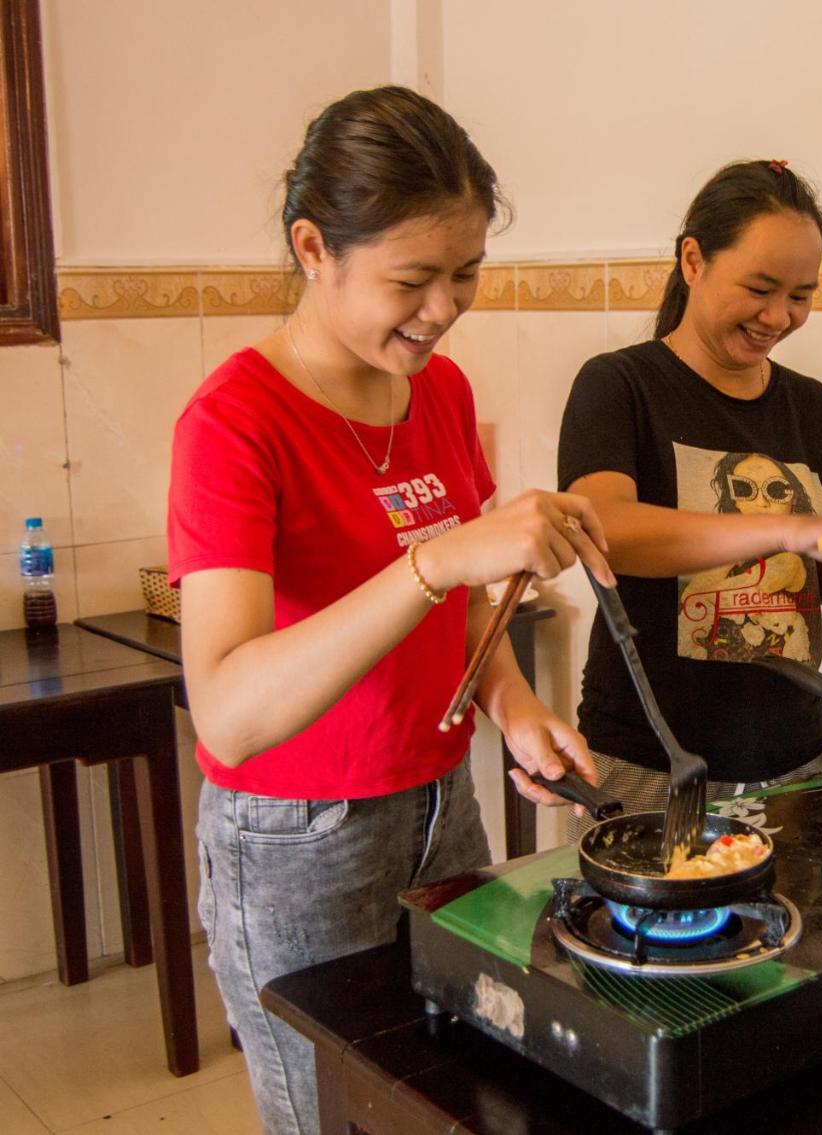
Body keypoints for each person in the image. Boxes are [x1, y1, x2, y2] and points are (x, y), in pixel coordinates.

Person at [167, 86, 611, 1135]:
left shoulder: (438, 393)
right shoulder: (234, 423)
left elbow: (454, 620)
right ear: (312, 247)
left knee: (443, 1099)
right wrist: (437, 558)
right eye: (411, 279)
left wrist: (508, 704)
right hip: (293, 840)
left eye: (464, 275)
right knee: (334, 1117)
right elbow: (226, 709)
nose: (443, 307)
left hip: (436, 802)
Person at [558, 159, 822, 831]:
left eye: (801, 294)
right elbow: (608, 532)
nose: (780, 315)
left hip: (795, 764)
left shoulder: (814, 409)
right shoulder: (619, 386)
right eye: (760, 288)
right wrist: (783, 530)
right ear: (693, 260)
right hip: (653, 768)